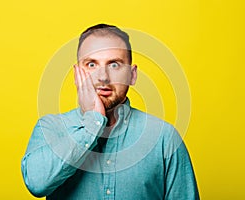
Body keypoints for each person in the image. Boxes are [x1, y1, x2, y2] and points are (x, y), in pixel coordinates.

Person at [21, 24, 200, 200]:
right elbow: (37, 184)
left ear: (132, 75)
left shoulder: (164, 137)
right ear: (76, 75)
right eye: (91, 64)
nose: (103, 77)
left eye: (114, 65)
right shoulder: (52, 128)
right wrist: (93, 122)